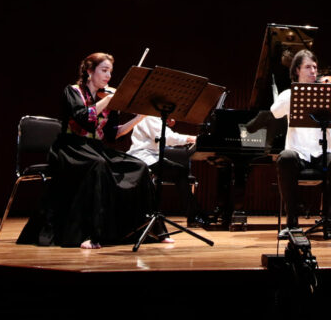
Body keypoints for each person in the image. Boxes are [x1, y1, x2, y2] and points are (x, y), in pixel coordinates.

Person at [17, 52, 169, 248]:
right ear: (89, 71)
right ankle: (91, 235)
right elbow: (82, 117)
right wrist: (108, 100)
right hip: (71, 147)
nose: (108, 76)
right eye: (104, 70)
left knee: (137, 166)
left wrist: (138, 118)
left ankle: (145, 229)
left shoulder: (107, 97)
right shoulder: (72, 92)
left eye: (110, 72)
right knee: (99, 165)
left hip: (96, 148)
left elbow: (112, 134)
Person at [270, 49, 331, 240]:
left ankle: (329, 221)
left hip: (323, 155)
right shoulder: (289, 94)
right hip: (298, 156)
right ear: (297, 70)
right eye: (308, 67)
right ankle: (292, 224)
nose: (313, 71)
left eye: (315, 67)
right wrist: (297, 94)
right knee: (285, 157)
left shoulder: (327, 96)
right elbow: (275, 112)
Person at [128, 114, 203, 226]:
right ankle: (194, 215)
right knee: (179, 172)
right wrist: (191, 138)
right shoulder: (149, 116)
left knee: (180, 171)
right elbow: (168, 137)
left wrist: (165, 121)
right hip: (143, 156)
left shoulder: (153, 117)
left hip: (152, 155)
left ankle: (194, 214)